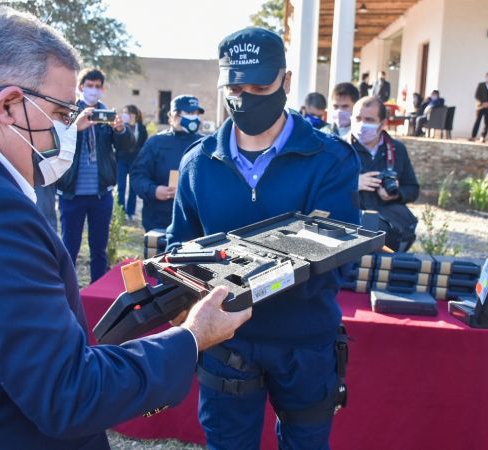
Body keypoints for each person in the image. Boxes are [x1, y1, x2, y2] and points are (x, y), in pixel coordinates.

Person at [0, 8, 250, 449]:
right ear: (9, 105)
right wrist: (191, 338)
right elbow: (69, 395)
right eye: (60, 111)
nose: (67, 128)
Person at [167, 27, 359, 449]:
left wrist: (234, 267)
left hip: (305, 344)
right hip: (225, 343)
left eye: (261, 85)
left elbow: (339, 258)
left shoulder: (331, 160)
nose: (247, 96)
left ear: (286, 82)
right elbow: (178, 247)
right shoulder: (198, 163)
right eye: (235, 86)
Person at [54, 68, 135, 283]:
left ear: (103, 89)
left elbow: (126, 148)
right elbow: (53, 143)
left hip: (101, 194)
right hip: (71, 193)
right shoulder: (67, 114)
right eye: (90, 85)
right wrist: (75, 127)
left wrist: (120, 130)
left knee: (99, 249)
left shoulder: (107, 115)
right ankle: (67, 293)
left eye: (98, 86)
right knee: (69, 247)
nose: (94, 90)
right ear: (81, 87)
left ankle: (96, 291)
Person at [349, 96, 419, 251]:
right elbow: (320, 188)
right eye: (358, 118)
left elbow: (413, 189)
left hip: (389, 231)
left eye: (369, 119)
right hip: (351, 231)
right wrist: (352, 183)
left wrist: (397, 193)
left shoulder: (397, 149)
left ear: (382, 124)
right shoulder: (338, 148)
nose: (362, 124)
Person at [131, 95, 203, 232]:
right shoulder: (156, 143)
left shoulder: (205, 144)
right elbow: (137, 177)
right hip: (159, 221)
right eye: (189, 113)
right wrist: (154, 190)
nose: (194, 117)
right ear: (175, 116)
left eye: (196, 113)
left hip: (195, 224)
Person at [117, 104, 147, 220]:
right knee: (121, 186)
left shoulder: (142, 128)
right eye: (124, 113)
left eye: (128, 113)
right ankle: (120, 212)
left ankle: (131, 212)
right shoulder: (121, 127)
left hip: (135, 160)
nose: (126, 116)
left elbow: (144, 144)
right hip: (122, 159)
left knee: (133, 188)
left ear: (134, 115)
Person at [470, 71, 488, 143]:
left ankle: (483, 137)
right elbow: (477, 95)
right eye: (487, 76)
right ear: (485, 77)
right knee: (477, 121)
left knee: (487, 123)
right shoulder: (481, 85)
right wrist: (483, 103)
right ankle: (473, 136)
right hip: (480, 106)